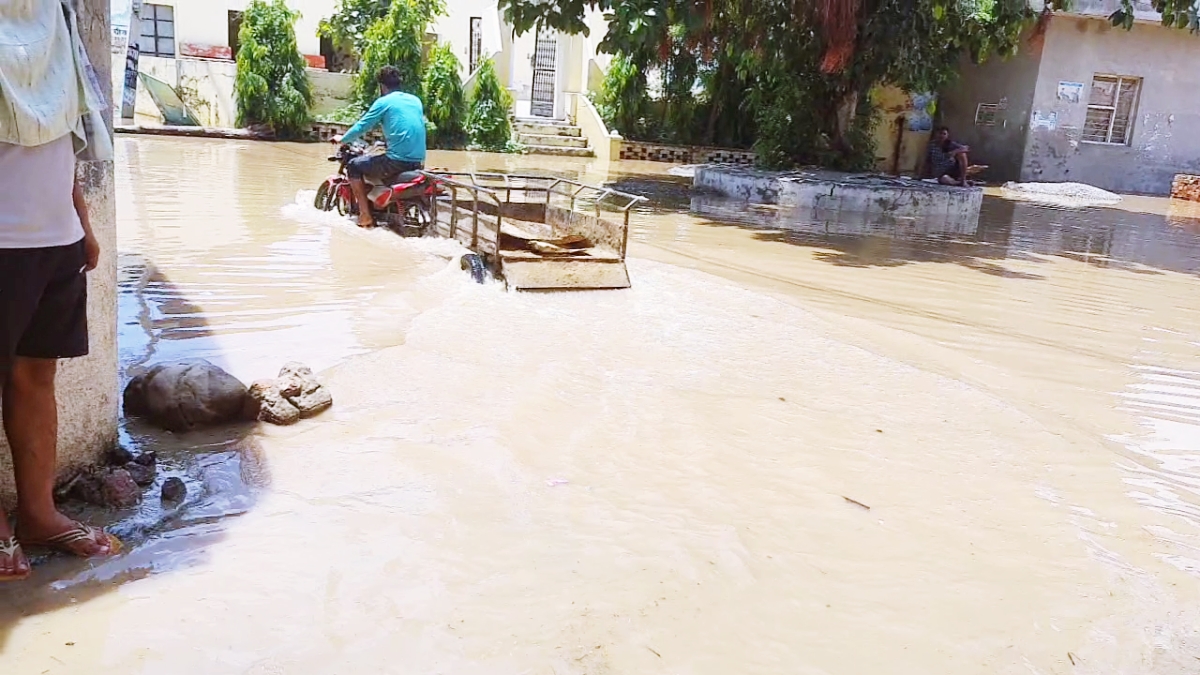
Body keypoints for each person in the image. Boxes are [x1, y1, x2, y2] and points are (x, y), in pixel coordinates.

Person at [1, 2, 120, 581]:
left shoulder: (58, 16)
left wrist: (83, 221)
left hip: (54, 237)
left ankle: (39, 513)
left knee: (36, 376)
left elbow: (62, 133)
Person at [332, 65, 428, 228]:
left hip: (396, 162)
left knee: (354, 166)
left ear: (382, 86)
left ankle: (365, 215)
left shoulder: (383, 102)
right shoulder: (415, 101)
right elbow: (406, 126)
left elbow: (362, 126)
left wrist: (342, 139)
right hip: (418, 162)